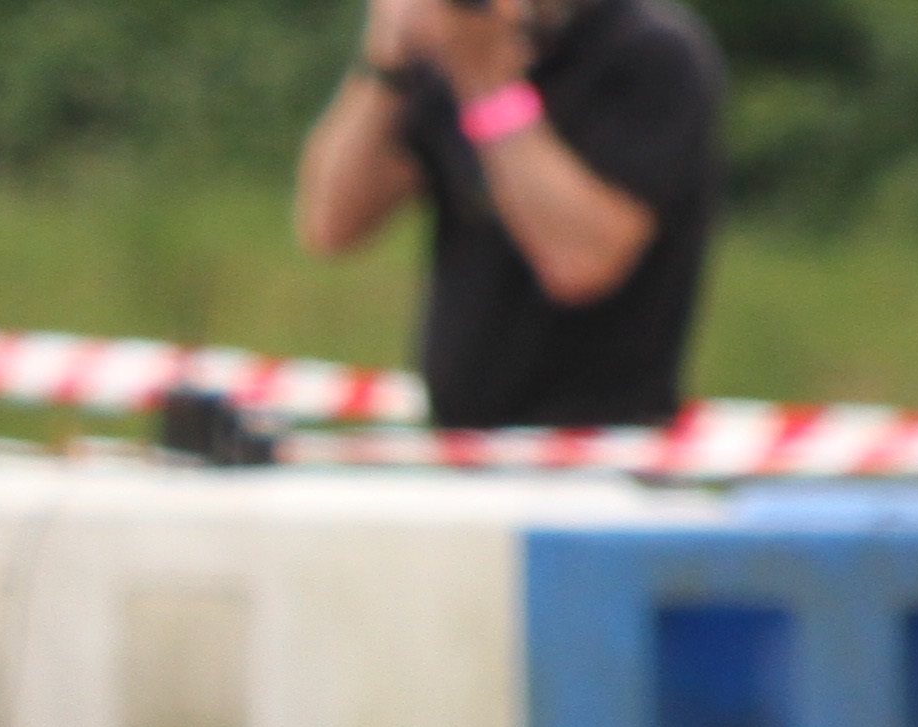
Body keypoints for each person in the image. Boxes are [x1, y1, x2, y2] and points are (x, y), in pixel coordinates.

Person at [294, 0, 722, 431]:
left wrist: (489, 88)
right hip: (463, 440)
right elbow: (331, 225)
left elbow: (580, 263)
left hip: (603, 449)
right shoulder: (461, 48)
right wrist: (385, 65)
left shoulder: (649, 53)